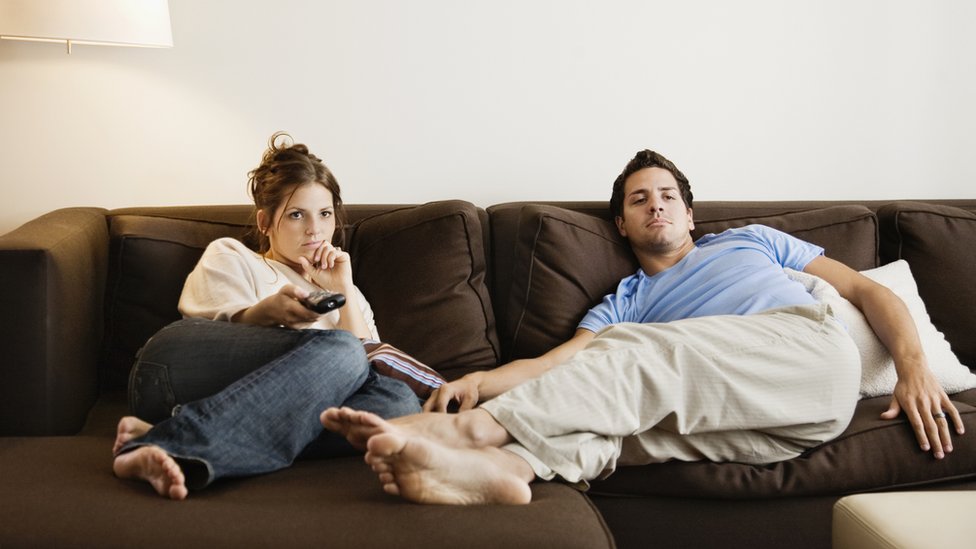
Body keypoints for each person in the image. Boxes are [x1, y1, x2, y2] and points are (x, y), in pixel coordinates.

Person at [322, 149, 966, 505]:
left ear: (689, 214)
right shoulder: (626, 300)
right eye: (638, 199)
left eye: (666, 196)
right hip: (756, 429)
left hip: (808, 361)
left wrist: (911, 368)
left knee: (635, 353)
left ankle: (467, 435)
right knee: (608, 428)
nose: (654, 204)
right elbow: (557, 366)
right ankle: (509, 470)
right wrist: (483, 378)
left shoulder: (750, 241)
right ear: (623, 227)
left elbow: (863, 290)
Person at [112, 132, 421, 500]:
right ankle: (171, 440)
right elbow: (201, 331)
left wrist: (343, 288)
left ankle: (161, 439)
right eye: (296, 215)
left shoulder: (349, 294)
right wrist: (263, 314)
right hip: (172, 369)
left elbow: (366, 366)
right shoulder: (232, 256)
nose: (315, 229)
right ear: (264, 221)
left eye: (324, 214)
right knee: (342, 350)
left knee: (397, 406)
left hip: (237, 404)